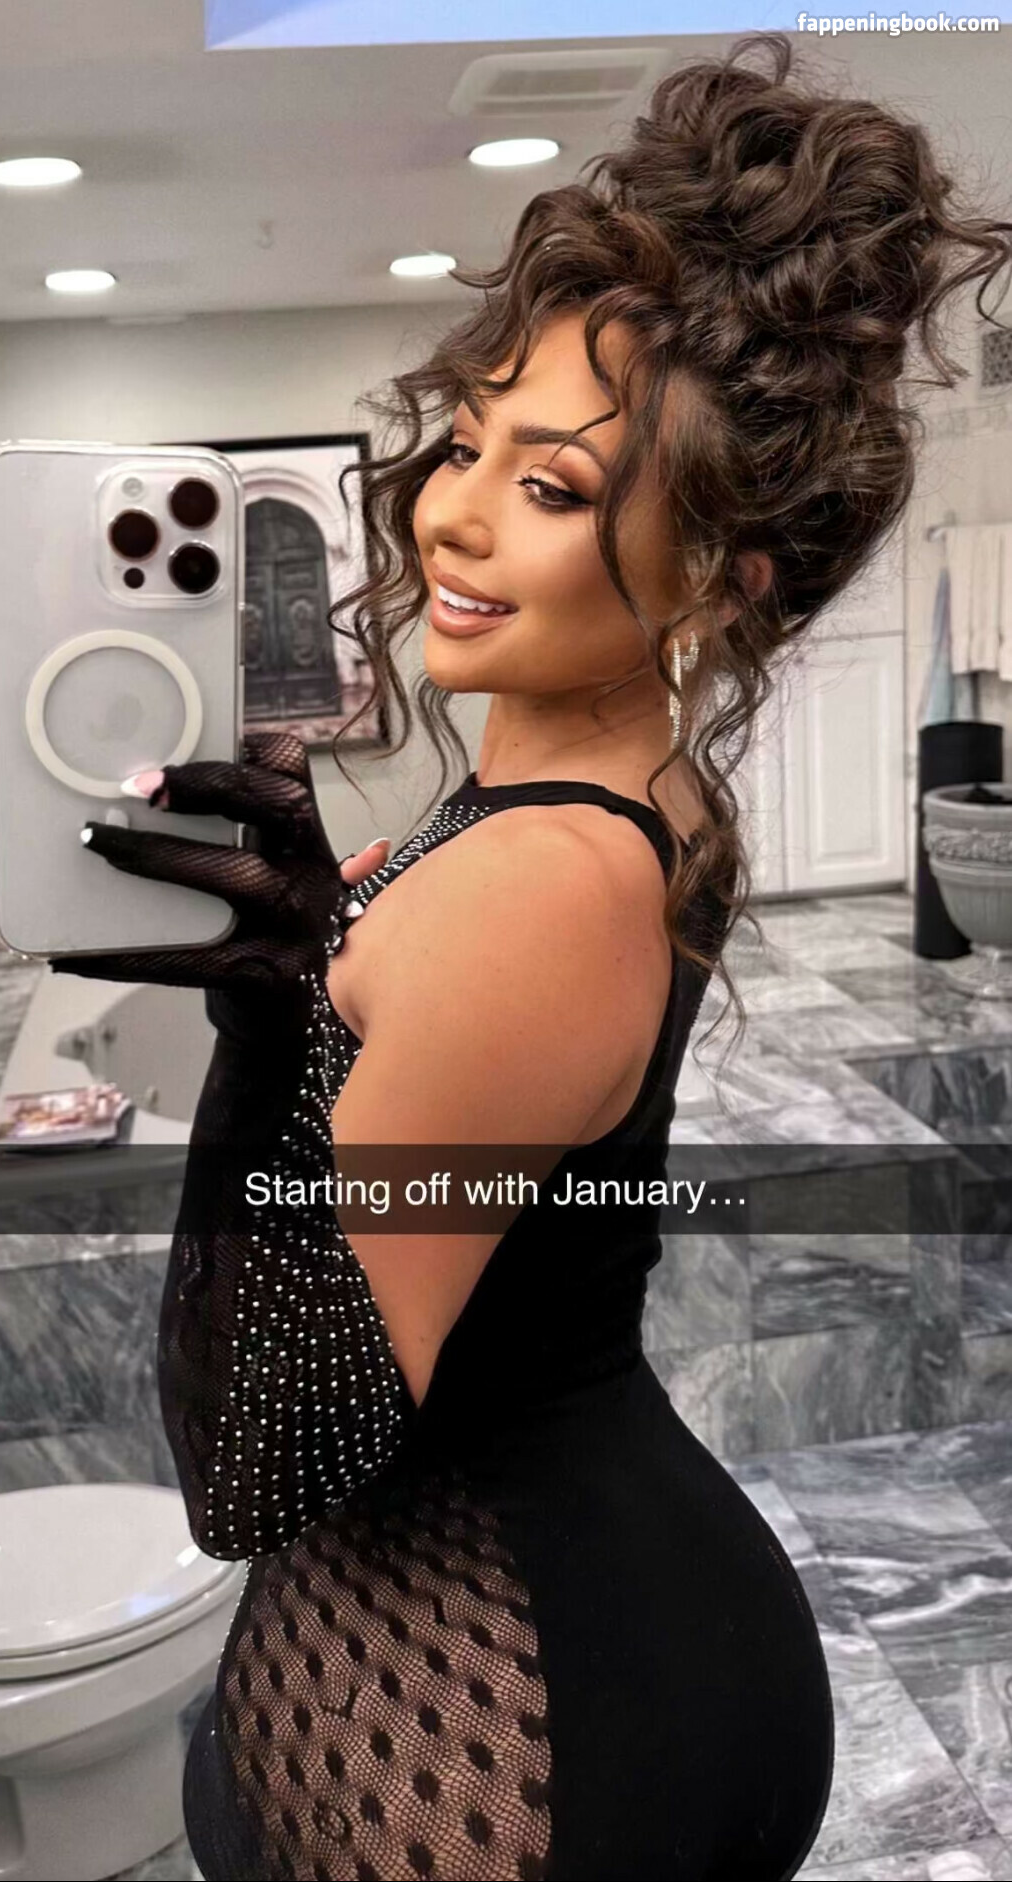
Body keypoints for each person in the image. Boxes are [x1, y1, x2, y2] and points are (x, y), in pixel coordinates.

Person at [52, 32, 1012, 1881]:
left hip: (498, 1722)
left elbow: (253, 1470)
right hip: (560, 1623)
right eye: (472, 437)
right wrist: (332, 955)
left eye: (554, 486)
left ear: (719, 570)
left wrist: (269, 1042)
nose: (452, 510)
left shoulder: (538, 881)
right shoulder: (617, 795)